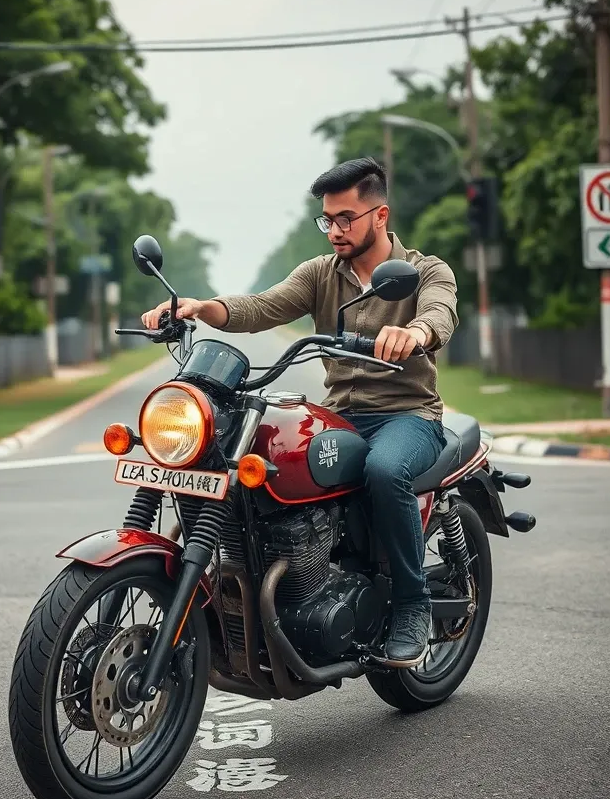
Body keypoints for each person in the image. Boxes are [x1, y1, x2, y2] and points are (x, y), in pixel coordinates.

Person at [141, 156, 459, 669]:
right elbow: (260, 307)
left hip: (407, 416)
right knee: (265, 456)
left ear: (380, 216)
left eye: (345, 219)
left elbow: (438, 312)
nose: (334, 230)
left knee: (383, 470)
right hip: (341, 415)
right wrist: (200, 308)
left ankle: (411, 605)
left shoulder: (424, 271)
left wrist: (415, 333)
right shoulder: (319, 274)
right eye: (327, 219)